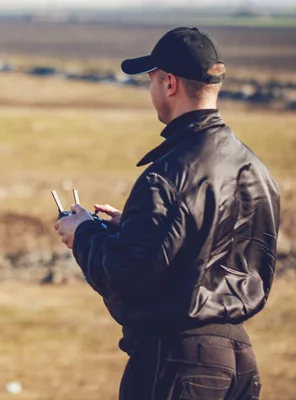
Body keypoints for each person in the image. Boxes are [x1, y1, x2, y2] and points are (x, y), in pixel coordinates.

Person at [54, 27, 280, 400]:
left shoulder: (170, 173)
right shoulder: (255, 168)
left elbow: (124, 275)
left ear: (170, 84)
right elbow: (213, 247)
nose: (152, 89)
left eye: (153, 79)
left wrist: (83, 233)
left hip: (177, 363)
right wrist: (132, 227)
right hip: (240, 363)